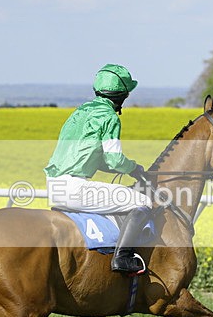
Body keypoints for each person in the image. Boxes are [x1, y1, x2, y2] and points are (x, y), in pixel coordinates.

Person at [44, 63, 152, 274]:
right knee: (142, 201)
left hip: (53, 186)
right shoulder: (109, 117)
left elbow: (97, 159)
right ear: (122, 96)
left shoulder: (79, 113)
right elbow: (113, 160)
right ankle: (123, 258)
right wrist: (134, 168)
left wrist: (126, 169)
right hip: (75, 189)